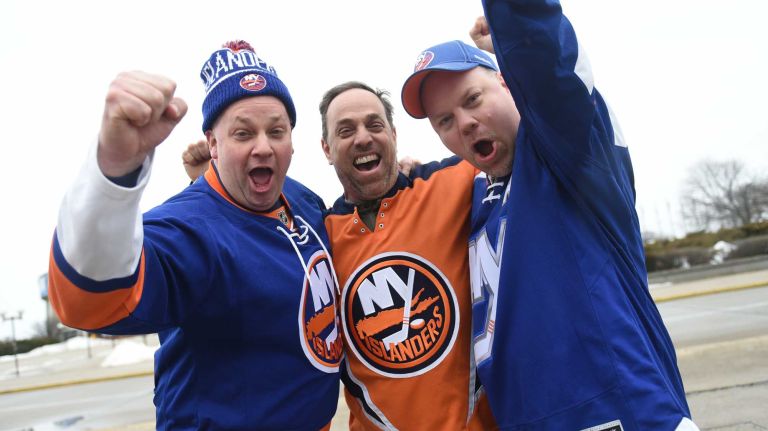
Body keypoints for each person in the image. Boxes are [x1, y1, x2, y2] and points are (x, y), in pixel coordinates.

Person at [400, 2, 698, 430]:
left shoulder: (568, 154)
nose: (464, 123)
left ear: (508, 83)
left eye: (473, 99)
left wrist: (513, 30)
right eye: (445, 120)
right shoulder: (479, 198)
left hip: (622, 416)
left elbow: (550, 68)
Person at [48, 40, 342, 430]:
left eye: (277, 131)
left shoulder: (301, 200)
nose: (263, 147)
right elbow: (89, 299)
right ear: (213, 145)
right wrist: (114, 168)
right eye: (242, 134)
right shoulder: (189, 232)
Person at [183, 82, 496, 430]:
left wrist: (496, 60)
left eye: (374, 125)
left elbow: (522, 139)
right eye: (346, 130)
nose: (363, 138)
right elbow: (253, 244)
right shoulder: (318, 238)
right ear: (326, 149)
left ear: (393, 135)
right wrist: (211, 181)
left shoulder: (456, 182)